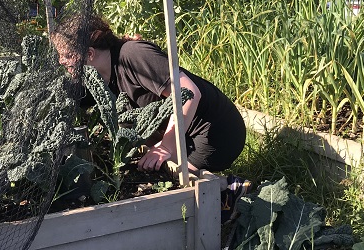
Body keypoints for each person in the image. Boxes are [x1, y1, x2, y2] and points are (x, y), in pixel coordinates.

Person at [51, 12, 250, 223]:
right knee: (148, 166)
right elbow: (72, 99)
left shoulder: (133, 54)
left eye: (66, 55)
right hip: (185, 132)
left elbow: (189, 92)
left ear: (89, 53)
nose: (61, 61)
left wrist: (167, 147)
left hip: (213, 132)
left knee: (167, 181)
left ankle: (227, 190)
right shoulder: (98, 75)